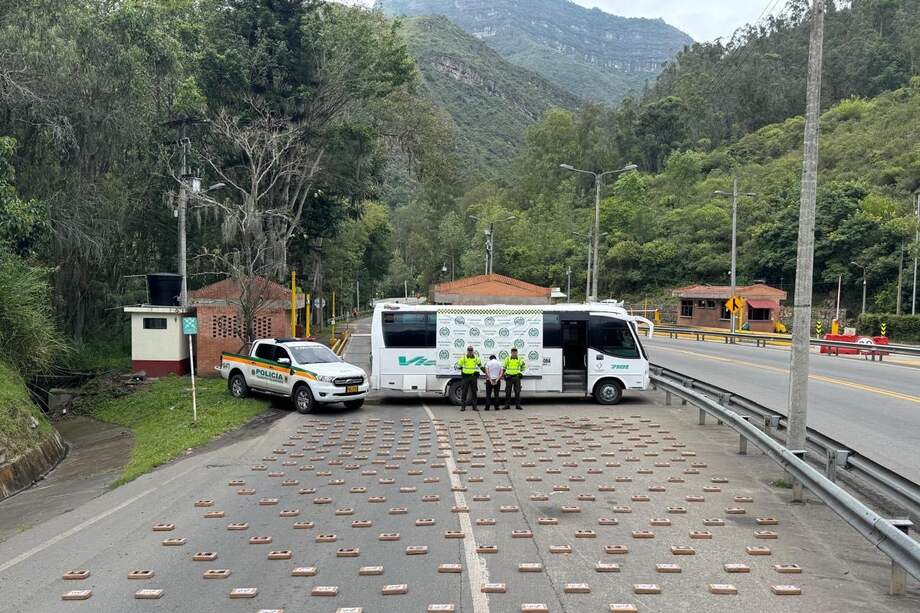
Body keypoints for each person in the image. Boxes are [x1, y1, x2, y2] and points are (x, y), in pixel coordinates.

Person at [455, 346, 484, 412]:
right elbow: (458, 366)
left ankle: (474, 407)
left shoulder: (476, 358)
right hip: (465, 377)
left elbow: (480, 366)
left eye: (471, 350)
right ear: (467, 351)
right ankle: (463, 407)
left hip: (473, 377)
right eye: (469, 350)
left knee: (474, 392)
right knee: (464, 392)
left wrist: (485, 372)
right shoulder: (464, 358)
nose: (470, 352)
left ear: (473, 351)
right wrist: (462, 369)